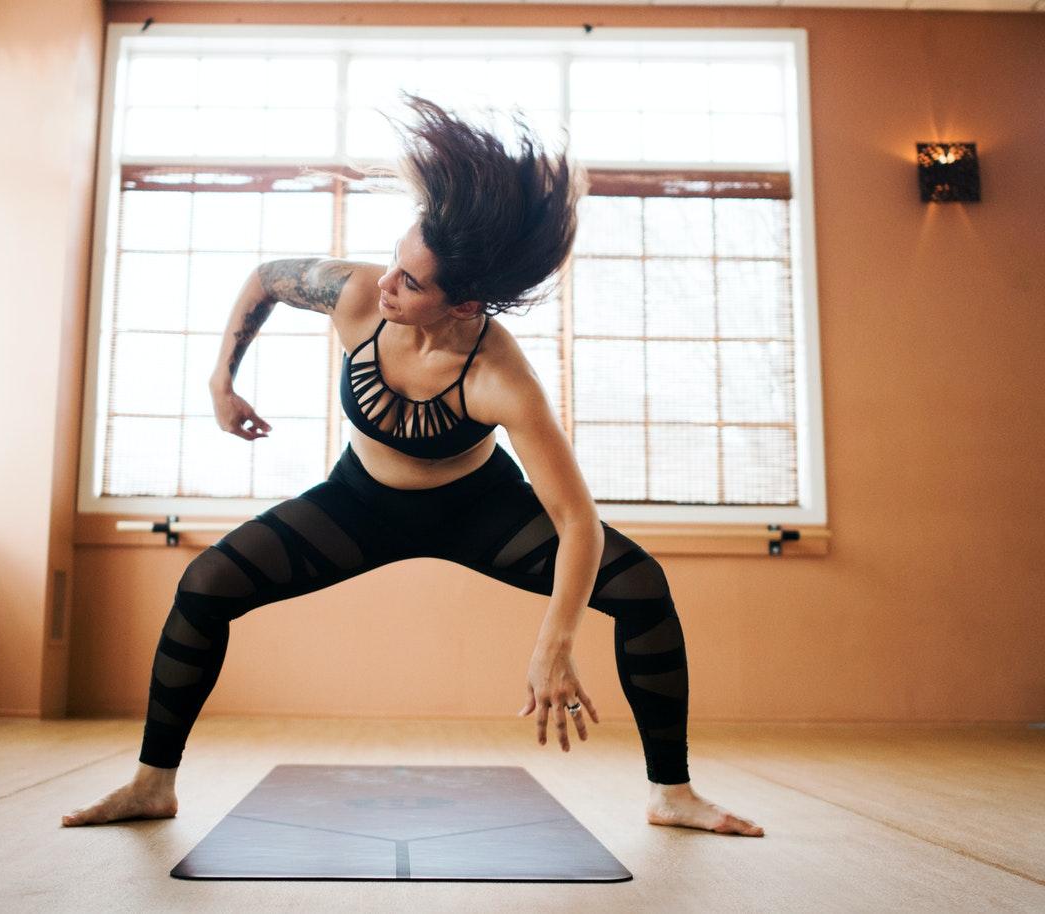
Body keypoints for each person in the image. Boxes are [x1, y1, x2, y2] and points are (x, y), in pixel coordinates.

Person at [63, 95, 763, 838]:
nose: (385, 284)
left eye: (410, 282)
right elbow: (267, 276)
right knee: (205, 586)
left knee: (641, 585)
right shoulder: (359, 297)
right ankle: (152, 784)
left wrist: (555, 639)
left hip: (479, 512)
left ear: (463, 303)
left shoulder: (501, 378)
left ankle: (671, 794)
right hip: (357, 505)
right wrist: (220, 378)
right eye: (395, 263)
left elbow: (575, 521)